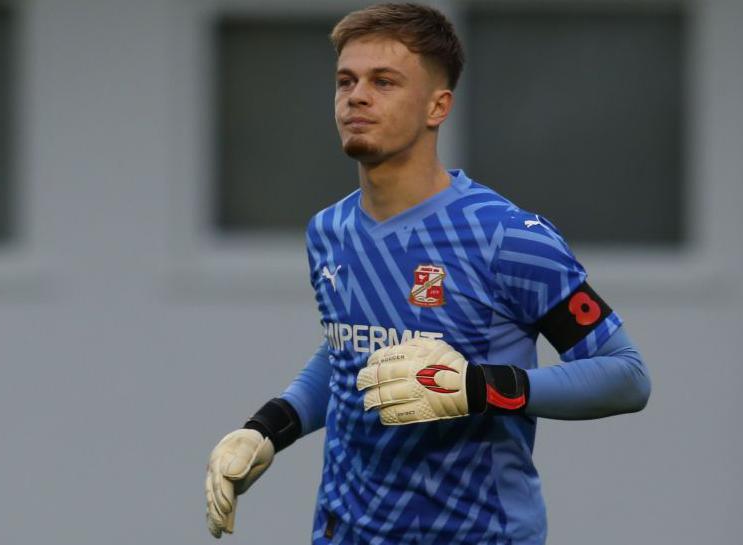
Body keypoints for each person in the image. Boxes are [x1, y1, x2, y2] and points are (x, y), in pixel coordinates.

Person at [204, 3, 651, 544]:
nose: (357, 96)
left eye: (384, 81)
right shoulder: (330, 230)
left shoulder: (507, 237)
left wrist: (481, 388)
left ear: (438, 106)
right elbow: (351, 352)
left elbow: (625, 375)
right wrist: (267, 429)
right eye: (346, 80)